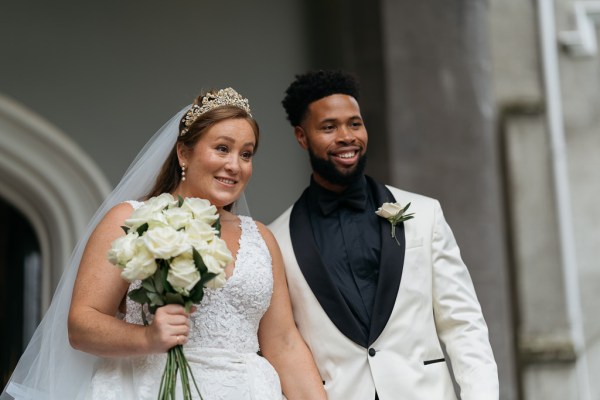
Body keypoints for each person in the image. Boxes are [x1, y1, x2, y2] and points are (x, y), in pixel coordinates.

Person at [2, 88, 326, 400]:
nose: (235, 165)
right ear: (184, 153)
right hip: (148, 386)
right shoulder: (130, 219)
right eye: (222, 148)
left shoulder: (261, 238)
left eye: (246, 154)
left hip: (247, 389)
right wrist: (147, 337)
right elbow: (81, 324)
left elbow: (283, 343)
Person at [269, 70, 499, 400]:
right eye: (329, 127)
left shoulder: (425, 214)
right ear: (302, 137)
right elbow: (283, 346)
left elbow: (463, 323)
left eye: (354, 123)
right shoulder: (276, 240)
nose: (347, 136)